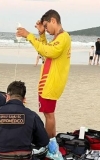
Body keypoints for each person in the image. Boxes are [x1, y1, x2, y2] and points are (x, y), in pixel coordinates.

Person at [16, 9, 71, 138]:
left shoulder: (63, 37)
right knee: (49, 114)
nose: (46, 29)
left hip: (51, 83)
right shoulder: (58, 38)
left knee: (48, 115)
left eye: (46, 26)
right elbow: (45, 53)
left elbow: (47, 51)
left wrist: (28, 35)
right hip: (48, 82)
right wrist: (41, 35)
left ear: (53, 20)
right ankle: (52, 141)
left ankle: (47, 143)